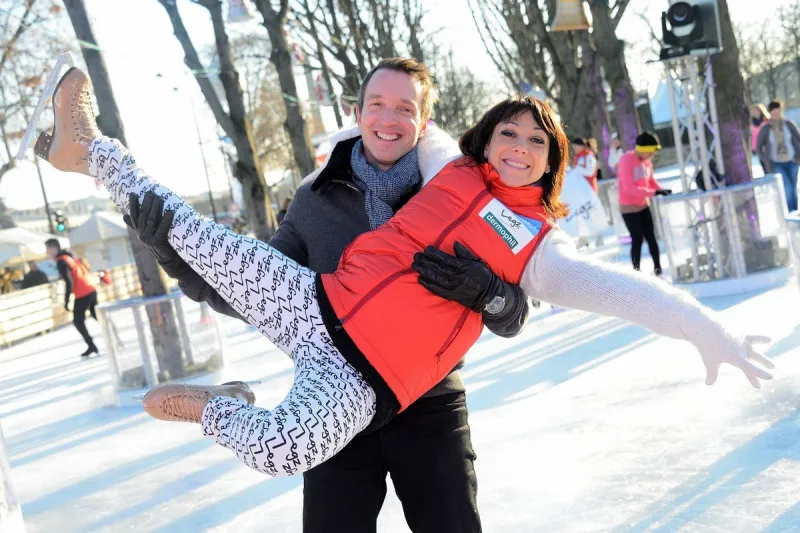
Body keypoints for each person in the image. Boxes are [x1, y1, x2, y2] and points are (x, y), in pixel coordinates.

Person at [34, 67, 774, 492]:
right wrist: (178, 257)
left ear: (553, 161)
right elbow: (402, 127)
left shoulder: (539, 246)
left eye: (536, 141)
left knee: (278, 449)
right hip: (314, 303)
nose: (517, 147)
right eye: (507, 133)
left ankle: (217, 406)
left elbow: (626, 293)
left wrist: (705, 330)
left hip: (371, 384)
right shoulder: (447, 166)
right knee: (190, 231)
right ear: (485, 138)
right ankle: (87, 147)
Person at [135, 58, 530, 533]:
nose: (389, 119)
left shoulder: (460, 197)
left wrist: (491, 292)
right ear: (357, 112)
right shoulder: (315, 198)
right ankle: (222, 405)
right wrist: (172, 254)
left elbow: (514, 314)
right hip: (333, 393)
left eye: (405, 108)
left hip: (429, 405)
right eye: (378, 105)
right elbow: (257, 291)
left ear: (423, 122)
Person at [616, 132, 672, 276]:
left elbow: (651, 181)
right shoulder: (626, 160)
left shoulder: (647, 162)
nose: (652, 155)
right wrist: (653, 193)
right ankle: (636, 272)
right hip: (629, 208)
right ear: (643, 149)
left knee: (651, 237)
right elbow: (629, 188)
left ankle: (658, 270)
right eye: (651, 152)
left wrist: (660, 189)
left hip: (643, 205)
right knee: (637, 239)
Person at [45, 238, 98, 357]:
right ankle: (113, 337)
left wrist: (66, 300)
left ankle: (91, 345)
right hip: (90, 288)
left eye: (48, 250)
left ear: (53, 248)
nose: (47, 253)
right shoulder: (67, 256)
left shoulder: (61, 262)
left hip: (83, 293)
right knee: (96, 315)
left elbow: (69, 282)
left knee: (78, 321)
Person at [756, 100, 800, 212]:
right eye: (774, 113)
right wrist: (765, 160)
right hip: (776, 163)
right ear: (770, 113)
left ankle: (795, 213)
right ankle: (789, 213)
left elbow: (798, 138)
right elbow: (758, 147)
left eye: (778, 112)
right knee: (787, 188)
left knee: (794, 189)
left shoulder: (789, 125)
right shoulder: (766, 129)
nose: (776, 115)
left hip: (792, 161)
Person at [750, 103, 769, 171]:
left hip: (769, 148)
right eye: (753, 111)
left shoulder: (767, 121)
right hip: (759, 150)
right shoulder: (751, 124)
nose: (754, 112)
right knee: (765, 169)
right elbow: (753, 137)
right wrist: (753, 148)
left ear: (761, 111)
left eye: (756, 110)